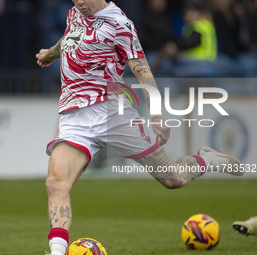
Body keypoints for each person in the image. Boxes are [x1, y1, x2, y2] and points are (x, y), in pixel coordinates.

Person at [35, 1, 243, 254]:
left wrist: (156, 114)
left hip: (112, 113)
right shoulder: (76, 12)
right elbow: (70, 37)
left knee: (173, 179)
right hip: (74, 118)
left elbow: (143, 71)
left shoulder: (119, 25)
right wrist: (51, 53)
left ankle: (207, 159)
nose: (78, 2)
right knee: (56, 183)